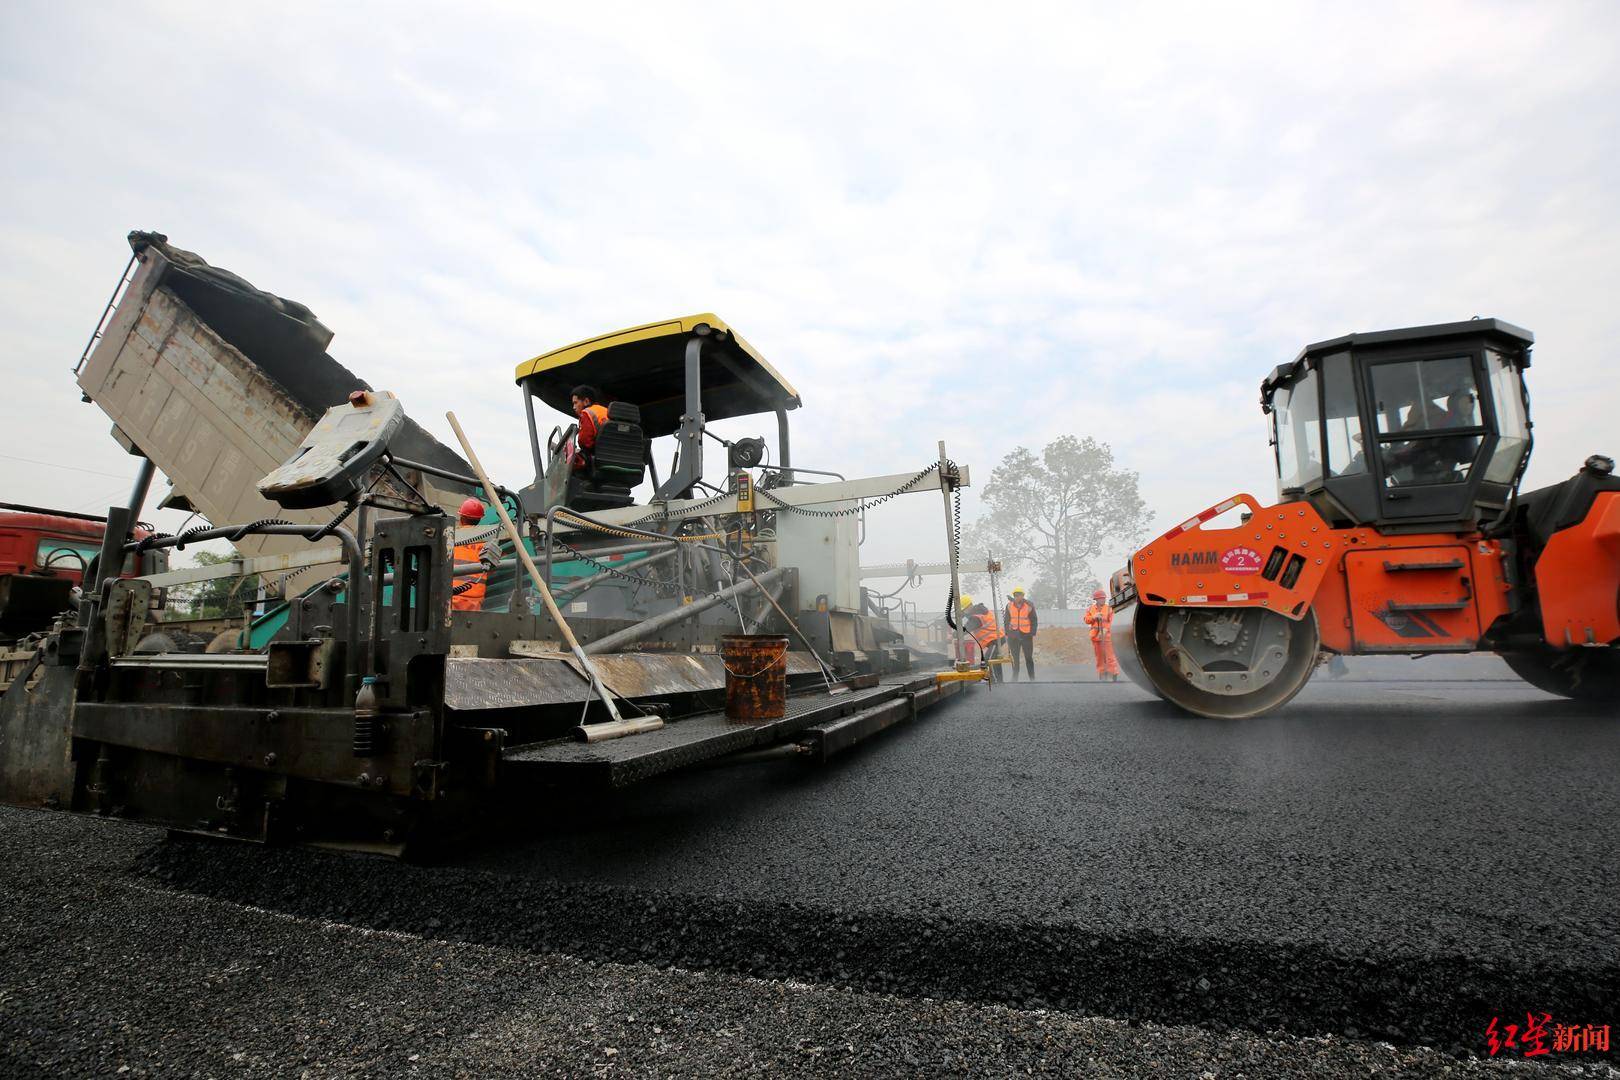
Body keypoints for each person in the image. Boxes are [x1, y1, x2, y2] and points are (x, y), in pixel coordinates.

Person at [450, 497, 499, 612]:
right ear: (479, 520)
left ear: (461, 518)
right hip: (475, 599)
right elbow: (491, 569)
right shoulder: (484, 542)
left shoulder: (451, 537)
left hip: (451, 596)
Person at [958, 594, 1005, 682]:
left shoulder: (976, 617)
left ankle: (994, 682)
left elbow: (966, 629)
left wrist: (954, 635)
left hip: (995, 640)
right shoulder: (979, 611)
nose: (963, 612)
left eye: (963, 610)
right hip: (996, 639)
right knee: (994, 660)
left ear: (969, 606)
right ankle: (999, 681)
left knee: (988, 660)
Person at [569, 384, 612, 471]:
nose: (574, 407)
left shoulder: (587, 413)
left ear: (586, 401)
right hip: (616, 456)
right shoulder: (606, 411)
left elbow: (584, 442)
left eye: (576, 403)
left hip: (601, 459)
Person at [1083, 588, 1120, 681]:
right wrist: (1093, 617)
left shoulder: (1109, 609)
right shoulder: (1090, 609)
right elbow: (1086, 620)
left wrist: (1106, 629)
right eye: (1101, 598)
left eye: (1104, 598)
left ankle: (1113, 674)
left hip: (1107, 637)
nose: (1103, 600)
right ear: (1096, 599)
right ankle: (1102, 674)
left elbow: (1113, 622)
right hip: (1096, 637)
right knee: (1099, 657)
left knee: (1110, 657)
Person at [1003, 586, 1038, 681]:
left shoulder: (1029, 606)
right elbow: (1006, 621)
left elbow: (1034, 620)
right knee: (1015, 659)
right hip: (1013, 636)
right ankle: (1014, 679)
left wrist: (1032, 633)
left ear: (1023, 596)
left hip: (1026, 636)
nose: (1017, 597)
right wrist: (1007, 632)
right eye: (1016, 595)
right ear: (1014, 596)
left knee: (1028, 658)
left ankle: (1032, 679)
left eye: (1019, 595)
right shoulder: (1009, 606)